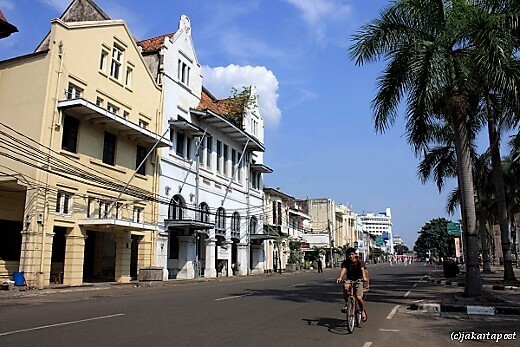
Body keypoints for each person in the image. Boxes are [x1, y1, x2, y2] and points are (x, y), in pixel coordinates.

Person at [336, 247, 369, 321]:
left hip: (358, 280)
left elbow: (362, 270)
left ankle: (362, 310)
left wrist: (364, 278)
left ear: (354, 255)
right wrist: (340, 277)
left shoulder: (359, 262)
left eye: (351, 254)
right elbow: (344, 270)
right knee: (345, 287)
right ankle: (346, 304)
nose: (350, 256)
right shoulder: (346, 262)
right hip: (350, 280)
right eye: (349, 255)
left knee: (358, 297)